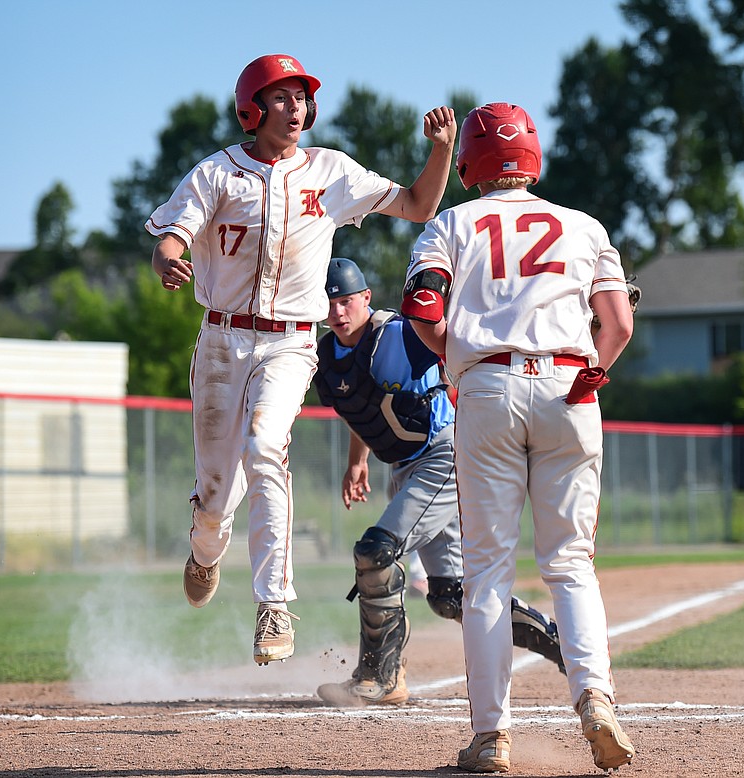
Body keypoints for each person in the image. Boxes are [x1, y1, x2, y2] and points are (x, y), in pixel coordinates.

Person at [146, 53, 456, 667]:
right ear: (252, 109)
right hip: (221, 340)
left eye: (302, 98)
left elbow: (420, 206)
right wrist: (166, 258)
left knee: (266, 449)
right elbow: (172, 234)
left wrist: (442, 149)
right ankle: (205, 550)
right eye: (282, 98)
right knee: (214, 493)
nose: (296, 109)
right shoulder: (216, 174)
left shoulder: (331, 171)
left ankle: (274, 604)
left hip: (291, 340)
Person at [402, 103, 637, 772]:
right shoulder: (584, 226)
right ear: (533, 158)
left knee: (487, 576)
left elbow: (422, 308)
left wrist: (460, 359)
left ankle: (492, 737)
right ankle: (595, 697)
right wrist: (595, 371)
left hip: (488, 389)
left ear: (472, 162)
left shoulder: (452, 222)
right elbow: (616, 325)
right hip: (570, 386)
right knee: (570, 564)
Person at [312, 257, 567, 707]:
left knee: (377, 553)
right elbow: (362, 408)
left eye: (346, 300)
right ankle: (563, 644)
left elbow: (458, 331)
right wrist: (358, 461)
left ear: (366, 299)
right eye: (329, 302)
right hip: (405, 467)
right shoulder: (327, 358)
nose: (337, 311)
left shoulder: (396, 336)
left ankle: (381, 676)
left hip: (443, 455)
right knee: (450, 595)